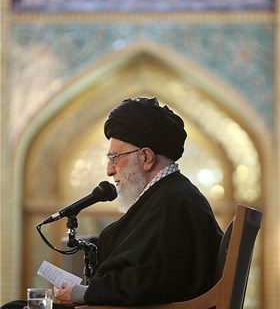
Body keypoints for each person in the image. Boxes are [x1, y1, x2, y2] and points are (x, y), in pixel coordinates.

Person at [1, 97, 223, 309]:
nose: (109, 170)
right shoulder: (170, 195)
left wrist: (79, 293)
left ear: (146, 157)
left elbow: (146, 281)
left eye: (114, 158)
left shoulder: (174, 202)